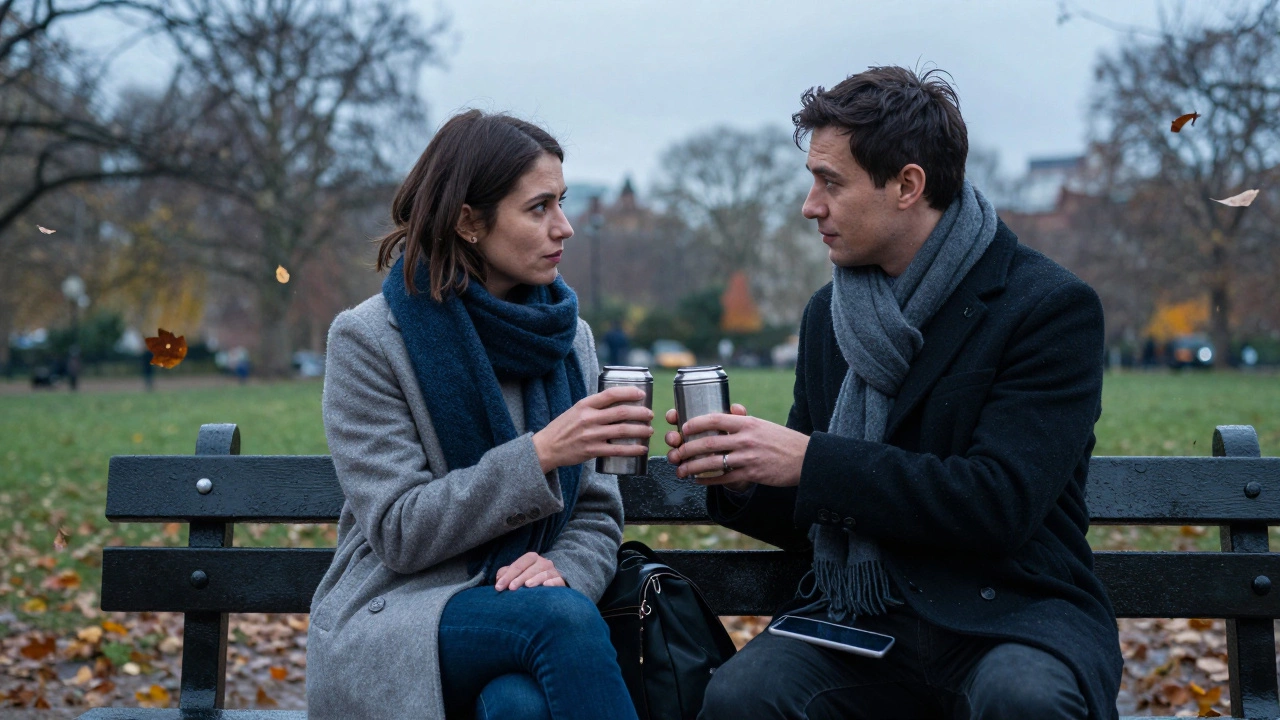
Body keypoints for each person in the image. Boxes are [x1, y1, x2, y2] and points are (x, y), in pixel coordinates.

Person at [667, 67, 1121, 720]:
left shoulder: (1047, 307)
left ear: (908, 185)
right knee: (742, 697)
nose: (810, 205)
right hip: (857, 619)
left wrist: (809, 459)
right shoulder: (829, 314)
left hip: (1009, 613)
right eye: (811, 181)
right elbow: (814, 511)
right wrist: (741, 474)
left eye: (831, 182)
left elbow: (999, 503)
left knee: (1022, 700)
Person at [307, 110, 649, 720]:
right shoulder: (370, 339)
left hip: (528, 614)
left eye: (563, 203)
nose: (565, 227)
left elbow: (597, 513)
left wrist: (561, 569)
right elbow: (399, 531)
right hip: (402, 617)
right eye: (539, 208)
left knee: (520, 706)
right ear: (469, 221)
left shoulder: (571, 342)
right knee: (558, 623)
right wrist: (540, 454)